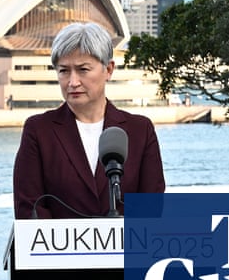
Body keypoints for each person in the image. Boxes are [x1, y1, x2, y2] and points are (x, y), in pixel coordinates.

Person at [13, 22, 166, 219]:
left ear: (108, 69)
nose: (73, 82)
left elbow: (151, 208)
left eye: (83, 70)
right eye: (64, 71)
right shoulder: (38, 130)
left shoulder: (140, 130)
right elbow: (29, 208)